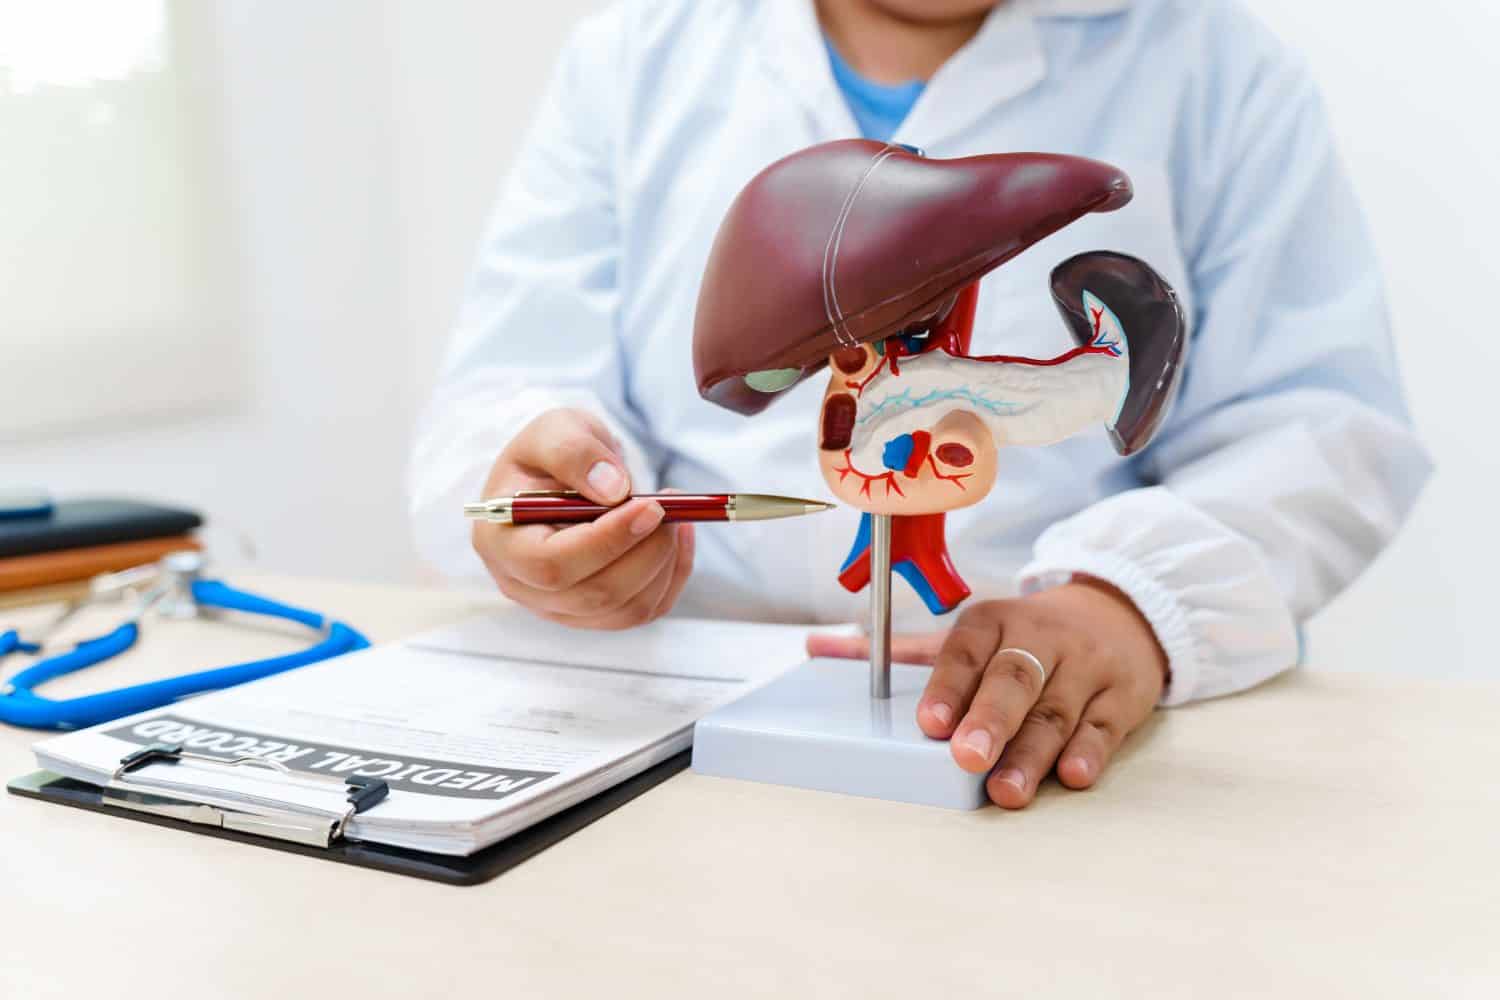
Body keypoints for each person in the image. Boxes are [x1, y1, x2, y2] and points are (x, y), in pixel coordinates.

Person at [408, 0, 1431, 808]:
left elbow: (1319, 432)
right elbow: (515, 376)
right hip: (676, 714)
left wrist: (1124, 601)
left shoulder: (1216, 69)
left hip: (1043, 737)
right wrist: (546, 492)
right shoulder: (634, 57)